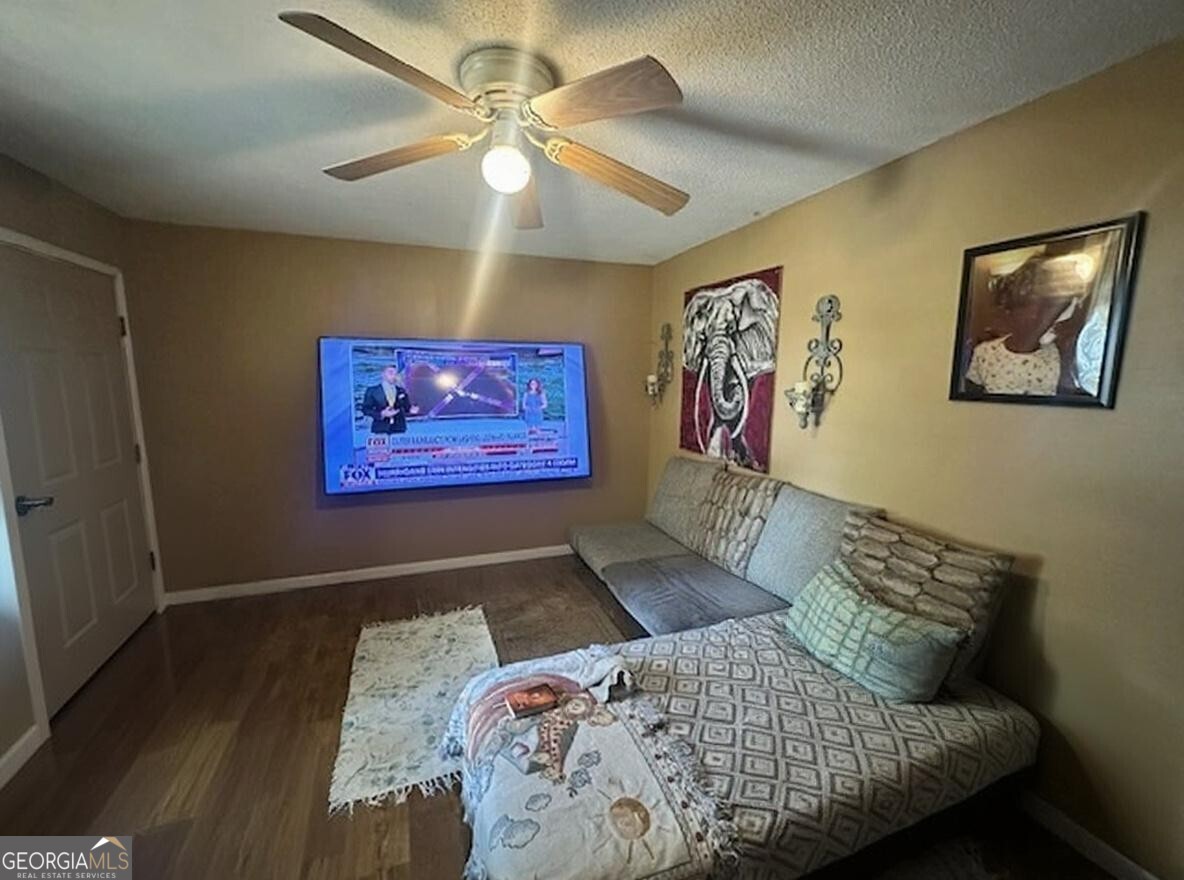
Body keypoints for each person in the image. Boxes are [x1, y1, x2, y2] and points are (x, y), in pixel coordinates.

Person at [964, 253, 1091, 396]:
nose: (1039, 317)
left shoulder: (1061, 357)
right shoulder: (985, 353)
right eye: (1031, 304)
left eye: (1052, 307)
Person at [361, 365, 418, 434]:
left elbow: (407, 407)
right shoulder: (372, 391)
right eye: (391, 373)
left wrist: (411, 410)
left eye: (396, 374)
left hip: (399, 429)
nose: (394, 376)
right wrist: (382, 414)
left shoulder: (401, 391)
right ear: (383, 374)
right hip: (380, 429)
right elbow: (365, 409)